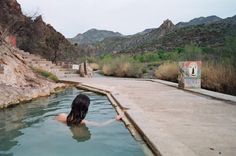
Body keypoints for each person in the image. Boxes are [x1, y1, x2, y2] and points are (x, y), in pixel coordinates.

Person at [56, 94, 123, 126]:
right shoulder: (83, 122)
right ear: (85, 109)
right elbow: (100, 125)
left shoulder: (61, 116)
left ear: (73, 104)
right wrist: (115, 119)